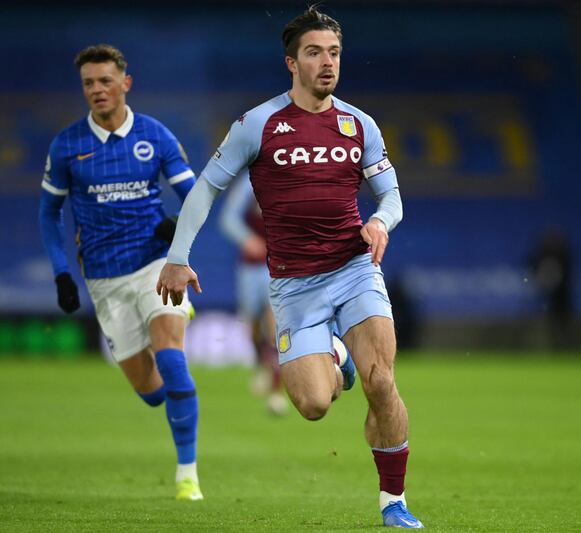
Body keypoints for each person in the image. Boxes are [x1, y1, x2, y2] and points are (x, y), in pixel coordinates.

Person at [156, 7, 424, 528]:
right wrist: (177, 256)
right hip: (294, 286)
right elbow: (207, 187)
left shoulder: (358, 123)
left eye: (334, 53)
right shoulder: (258, 124)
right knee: (313, 405)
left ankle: (394, 502)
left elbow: (390, 194)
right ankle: (337, 352)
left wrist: (381, 224)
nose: (327, 63)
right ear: (291, 62)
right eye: (314, 52)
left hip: (354, 269)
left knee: (381, 381)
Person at [39, 44, 203, 501]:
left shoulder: (156, 136)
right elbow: (48, 214)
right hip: (104, 279)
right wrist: (61, 274)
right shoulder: (68, 145)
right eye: (89, 82)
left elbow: (195, 196)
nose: (97, 89)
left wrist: (179, 237)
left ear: (125, 83)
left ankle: (187, 475)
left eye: (105, 80)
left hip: (156, 265)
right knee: (152, 392)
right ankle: (162, 360)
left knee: (172, 360)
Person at [218, 175, 288, 415]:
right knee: (252, 326)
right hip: (250, 267)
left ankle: (276, 391)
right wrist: (248, 239)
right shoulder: (248, 185)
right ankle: (263, 367)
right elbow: (228, 219)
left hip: (278, 266)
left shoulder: (289, 179)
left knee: (274, 325)